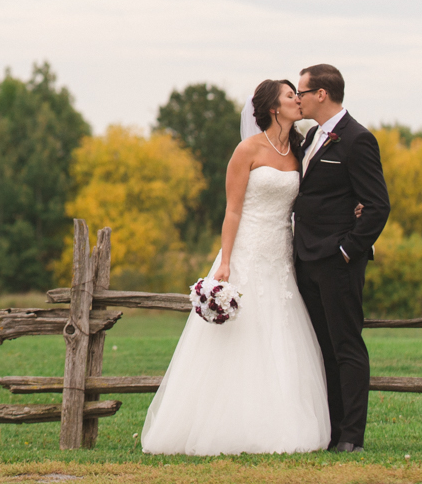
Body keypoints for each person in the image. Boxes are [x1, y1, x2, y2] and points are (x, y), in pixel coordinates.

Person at [141, 78, 331, 456]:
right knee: (240, 336)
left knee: (280, 333)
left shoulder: (299, 149)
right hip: (245, 250)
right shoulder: (247, 150)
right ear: (273, 108)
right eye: (291, 96)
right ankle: (224, 424)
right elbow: (232, 210)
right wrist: (225, 261)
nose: (298, 100)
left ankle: (280, 422)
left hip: (281, 254)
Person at [291, 63, 391, 453]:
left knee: (347, 346)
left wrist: (349, 250)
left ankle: (352, 436)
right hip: (305, 260)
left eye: (301, 91)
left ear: (321, 94)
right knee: (323, 348)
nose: (297, 98)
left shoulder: (357, 139)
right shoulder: (313, 135)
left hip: (337, 262)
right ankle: (331, 432)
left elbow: (378, 205)